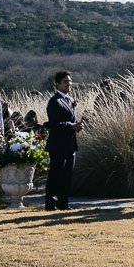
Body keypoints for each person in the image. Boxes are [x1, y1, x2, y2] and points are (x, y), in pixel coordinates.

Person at [44, 70, 85, 211]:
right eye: (66, 82)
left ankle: (63, 203)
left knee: (67, 175)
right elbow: (54, 124)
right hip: (58, 145)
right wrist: (71, 126)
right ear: (57, 84)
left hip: (70, 144)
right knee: (56, 174)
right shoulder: (54, 102)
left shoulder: (70, 100)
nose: (69, 84)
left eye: (70, 81)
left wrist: (77, 126)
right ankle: (50, 204)